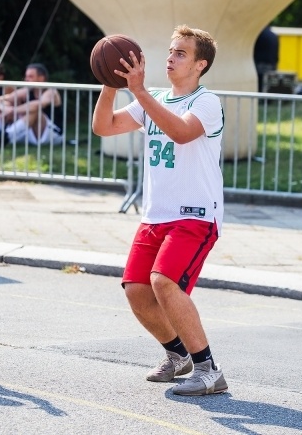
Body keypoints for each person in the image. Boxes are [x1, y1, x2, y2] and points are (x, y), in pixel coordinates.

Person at [92, 25, 227, 396]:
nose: (171, 57)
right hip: (155, 214)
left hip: (196, 214)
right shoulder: (150, 98)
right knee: (136, 289)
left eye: (181, 53)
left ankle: (208, 370)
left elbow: (182, 133)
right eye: (170, 50)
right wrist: (110, 82)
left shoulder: (206, 101)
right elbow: (103, 126)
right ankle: (177, 355)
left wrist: (137, 91)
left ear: (200, 65)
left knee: (164, 282)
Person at [0, 63, 63, 145]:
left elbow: (37, 105)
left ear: (41, 78)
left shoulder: (51, 91)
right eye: (26, 76)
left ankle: (4, 137)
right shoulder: (27, 91)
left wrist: (13, 110)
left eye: (30, 77)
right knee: (2, 108)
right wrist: (4, 108)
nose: (26, 79)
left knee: (35, 111)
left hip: (53, 134)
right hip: (32, 132)